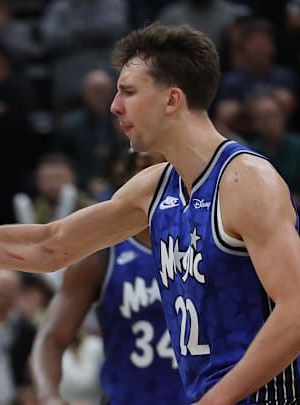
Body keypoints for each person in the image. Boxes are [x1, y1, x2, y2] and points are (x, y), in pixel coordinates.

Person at [0, 23, 300, 404]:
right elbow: (51, 244)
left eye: (129, 92)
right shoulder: (155, 188)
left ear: (172, 99)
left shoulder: (246, 181)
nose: (115, 106)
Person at [30, 152, 188, 405]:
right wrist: (49, 395)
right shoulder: (101, 255)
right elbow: (50, 338)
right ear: (126, 183)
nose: (149, 177)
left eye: (157, 167)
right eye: (139, 169)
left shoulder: (210, 239)